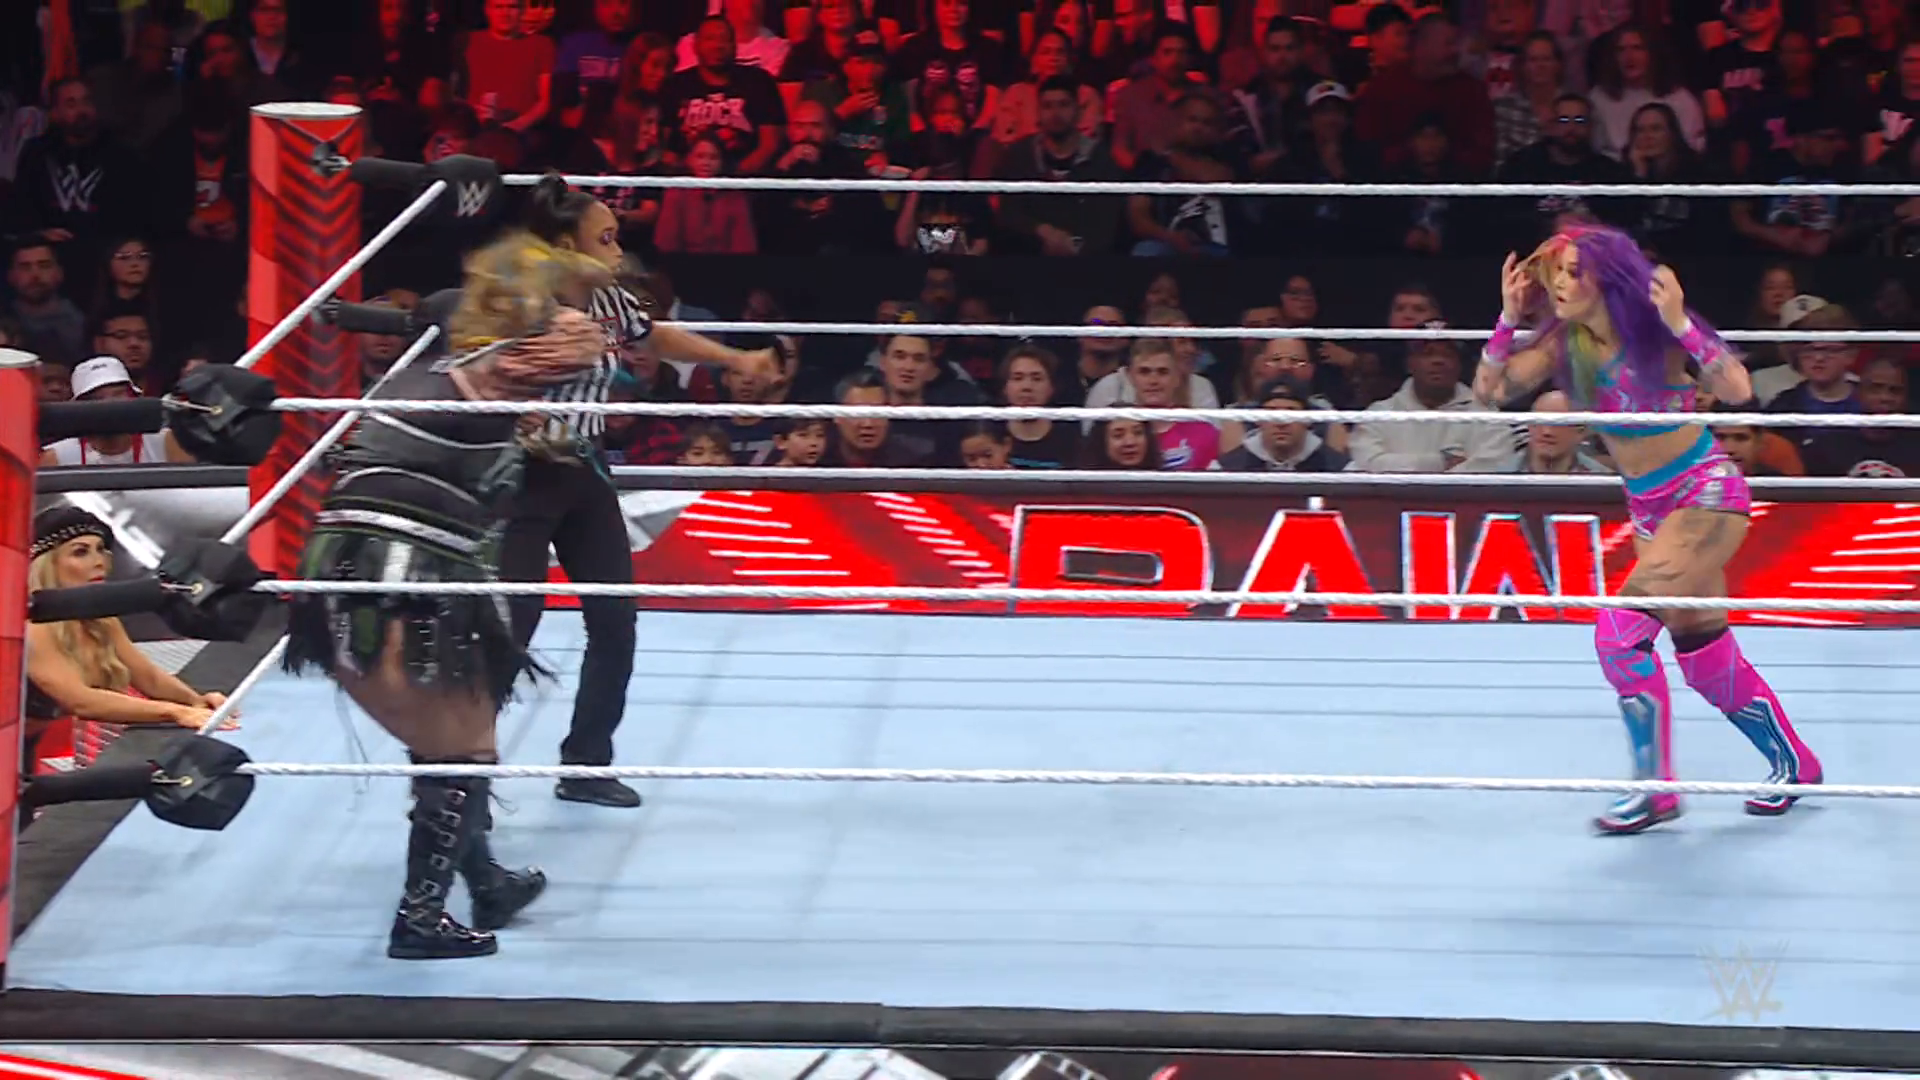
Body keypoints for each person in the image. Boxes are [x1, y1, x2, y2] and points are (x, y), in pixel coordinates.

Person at [284, 231, 616, 960]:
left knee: (465, 745)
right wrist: (557, 269)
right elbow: (576, 341)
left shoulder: (440, 378)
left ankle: (484, 883)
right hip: (386, 589)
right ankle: (420, 918)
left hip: (402, 583)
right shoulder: (480, 374)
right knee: (458, 751)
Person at [1472, 224, 1823, 834]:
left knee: (1619, 636)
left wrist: (1683, 322)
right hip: (1649, 512)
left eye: (1573, 272)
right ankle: (1795, 763)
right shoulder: (1566, 343)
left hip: (1704, 494)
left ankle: (1655, 789)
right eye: (1555, 273)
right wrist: (1507, 319)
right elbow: (1489, 391)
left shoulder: (1656, 325)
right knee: (1703, 653)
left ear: (1606, 278)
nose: (1559, 284)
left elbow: (1737, 388)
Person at [498, 175, 784, 810]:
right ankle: (461, 777)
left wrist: (734, 360)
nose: (619, 250)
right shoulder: (519, 302)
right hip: (522, 477)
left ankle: (586, 763)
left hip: (585, 471)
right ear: (565, 246)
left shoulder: (608, 298)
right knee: (511, 626)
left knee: (615, 621)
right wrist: (515, 413)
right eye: (605, 239)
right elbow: (469, 373)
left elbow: (651, 335)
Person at [24, 507, 236, 774]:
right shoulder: (31, 625)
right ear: (47, 565)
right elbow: (79, 700)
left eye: (101, 550)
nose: (99, 562)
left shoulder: (100, 619)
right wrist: (176, 712)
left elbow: (149, 677)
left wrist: (196, 702)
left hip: (23, 743)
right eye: (80, 552)